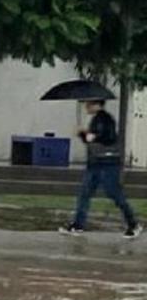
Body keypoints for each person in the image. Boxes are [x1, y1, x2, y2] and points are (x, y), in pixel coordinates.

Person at [59, 100, 143, 239]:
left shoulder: (105, 118)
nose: (86, 106)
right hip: (95, 163)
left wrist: (87, 133)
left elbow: (106, 137)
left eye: (89, 103)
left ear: (97, 104)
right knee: (85, 194)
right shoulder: (96, 119)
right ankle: (78, 224)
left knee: (115, 194)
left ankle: (133, 224)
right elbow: (90, 140)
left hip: (107, 163)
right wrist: (82, 134)